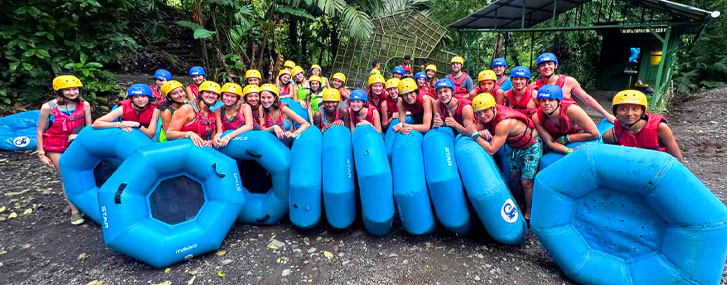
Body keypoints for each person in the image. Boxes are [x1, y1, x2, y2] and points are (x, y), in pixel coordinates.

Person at [471, 93, 542, 221]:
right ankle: (519, 204)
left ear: (493, 108)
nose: (482, 116)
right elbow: (476, 127)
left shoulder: (503, 123)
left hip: (531, 146)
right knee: (514, 178)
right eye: (479, 113)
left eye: (485, 111)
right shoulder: (487, 115)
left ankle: (529, 214)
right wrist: (479, 131)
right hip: (515, 147)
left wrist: (476, 135)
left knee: (526, 182)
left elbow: (491, 150)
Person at [37, 75, 92, 225]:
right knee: (66, 175)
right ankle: (74, 211)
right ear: (59, 91)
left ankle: (83, 202)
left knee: (84, 173)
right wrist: (41, 153)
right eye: (67, 90)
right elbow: (40, 131)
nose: (72, 92)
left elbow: (90, 127)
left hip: (76, 145)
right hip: (55, 146)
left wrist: (79, 134)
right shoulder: (48, 107)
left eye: (74, 89)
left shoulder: (84, 105)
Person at [603, 90, 684, 162]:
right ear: (616, 112)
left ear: (642, 111)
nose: (629, 114)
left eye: (635, 109)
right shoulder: (610, 136)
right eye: (623, 109)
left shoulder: (661, 128)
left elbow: (677, 158)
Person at [534, 52, 616, 122]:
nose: (546, 67)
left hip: (569, 122)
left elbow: (587, 99)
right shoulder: (533, 86)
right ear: (538, 69)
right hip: (546, 123)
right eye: (542, 65)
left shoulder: (569, 81)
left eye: (550, 64)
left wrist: (607, 115)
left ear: (555, 66)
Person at [532, 84, 599, 154]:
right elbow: (550, 142)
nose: (546, 103)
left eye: (551, 100)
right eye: (543, 100)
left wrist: (567, 138)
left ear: (559, 102)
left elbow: (595, 134)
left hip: (578, 134)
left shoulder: (573, 110)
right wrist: (569, 151)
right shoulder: (536, 117)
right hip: (557, 142)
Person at [92, 84, 160, 139]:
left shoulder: (155, 110)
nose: (140, 99)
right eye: (136, 97)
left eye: (143, 96)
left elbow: (151, 134)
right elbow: (96, 124)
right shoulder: (123, 108)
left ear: (149, 98)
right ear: (132, 99)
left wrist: (137, 125)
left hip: (144, 137)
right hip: (125, 137)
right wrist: (118, 124)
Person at [167, 81, 222, 147]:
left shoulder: (212, 114)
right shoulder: (187, 108)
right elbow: (169, 134)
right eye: (207, 92)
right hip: (183, 147)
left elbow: (213, 137)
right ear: (201, 94)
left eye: (214, 94)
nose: (211, 95)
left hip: (199, 149)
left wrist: (210, 141)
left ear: (217, 98)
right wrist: (189, 134)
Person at [213, 82, 253, 147]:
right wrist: (217, 136)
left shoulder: (245, 107)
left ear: (237, 98)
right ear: (222, 96)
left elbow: (249, 126)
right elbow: (220, 130)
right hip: (233, 141)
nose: (229, 99)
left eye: (233, 96)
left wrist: (229, 136)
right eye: (226, 95)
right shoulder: (218, 110)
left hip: (247, 137)